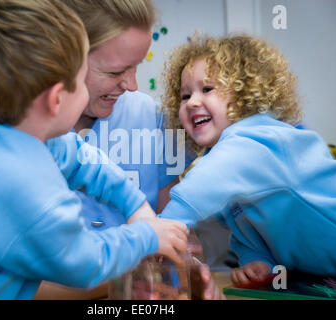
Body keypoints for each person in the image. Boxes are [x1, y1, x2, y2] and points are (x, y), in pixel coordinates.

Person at [0, 0, 189, 299]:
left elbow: (82, 159)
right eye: (81, 81)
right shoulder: (22, 187)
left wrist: (135, 206)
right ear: (56, 99)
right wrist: (145, 237)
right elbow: (84, 262)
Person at [42, 0, 224, 300]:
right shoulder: (22, 137)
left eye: (136, 67)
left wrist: (190, 273)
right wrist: (129, 273)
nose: (132, 84)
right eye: (117, 71)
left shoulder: (150, 117)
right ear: (66, 59)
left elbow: (175, 236)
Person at [158, 35, 336, 285]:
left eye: (207, 89)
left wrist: (162, 229)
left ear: (244, 95)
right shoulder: (225, 164)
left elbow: (201, 187)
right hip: (331, 276)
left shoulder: (259, 138)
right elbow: (248, 233)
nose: (193, 102)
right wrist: (258, 261)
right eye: (185, 96)